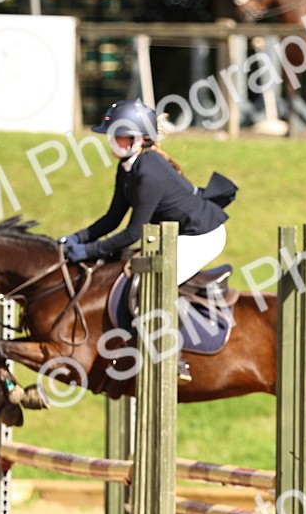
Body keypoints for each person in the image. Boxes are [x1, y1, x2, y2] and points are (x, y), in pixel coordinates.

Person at [62, 99, 237, 380]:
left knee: (156, 282)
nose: (112, 142)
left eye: (119, 135)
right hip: (180, 233)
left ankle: (173, 355)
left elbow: (133, 232)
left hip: (203, 235)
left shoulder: (149, 171)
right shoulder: (128, 167)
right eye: (112, 136)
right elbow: (112, 218)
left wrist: (88, 251)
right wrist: (75, 237)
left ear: (139, 139)